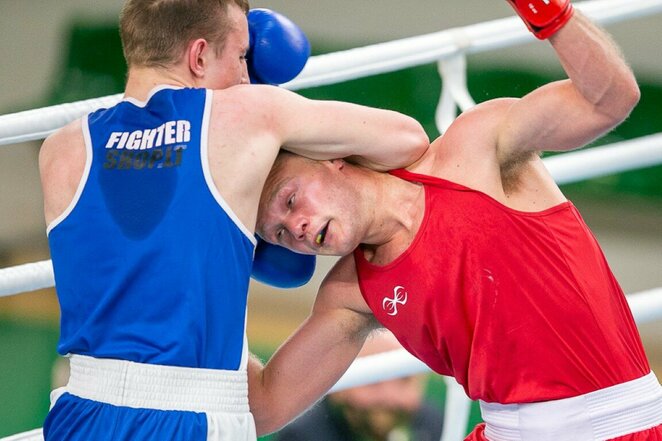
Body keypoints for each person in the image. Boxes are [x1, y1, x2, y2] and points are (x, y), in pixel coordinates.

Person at [248, 1, 662, 440]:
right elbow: (264, 409)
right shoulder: (351, 294)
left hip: (622, 424)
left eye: (290, 200)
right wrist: (205, 276)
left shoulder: (473, 149)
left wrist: (549, 11)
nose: (294, 227)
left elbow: (609, 99)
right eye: (277, 233)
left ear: (330, 158)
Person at [37, 0, 429, 440]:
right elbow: (406, 140)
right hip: (191, 419)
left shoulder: (62, 150)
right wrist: (270, 106)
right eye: (242, 57)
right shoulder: (247, 113)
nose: (245, 75)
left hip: (79, 411)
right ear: (199, 56)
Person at [274, 331, 443, 441]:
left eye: (404, 380)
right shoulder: (304, 435)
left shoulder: (434, 427)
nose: (389, 397)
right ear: (336, 384)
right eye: (371, 380)